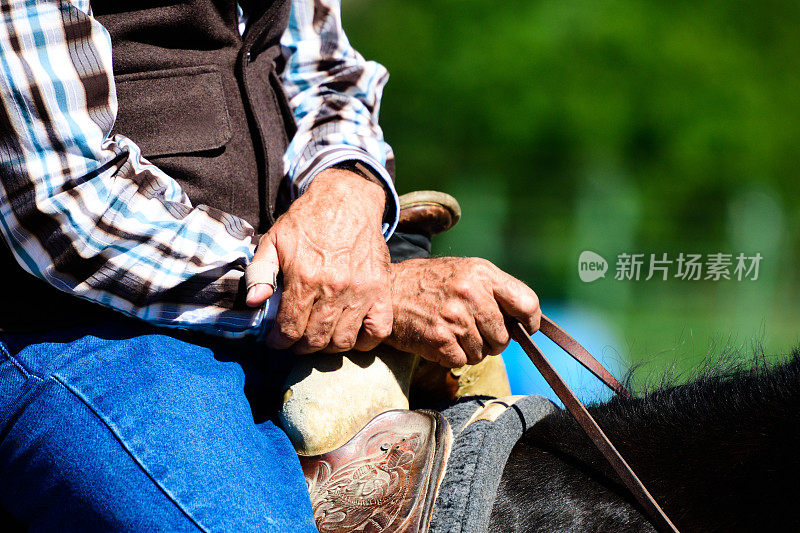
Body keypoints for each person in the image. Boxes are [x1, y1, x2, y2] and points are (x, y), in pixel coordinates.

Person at [0, 0, 541, 530]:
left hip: (283, 286)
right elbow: (58, 195)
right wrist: (364, 295)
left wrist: (347, 183)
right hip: (81, 326)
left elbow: (324, 70)